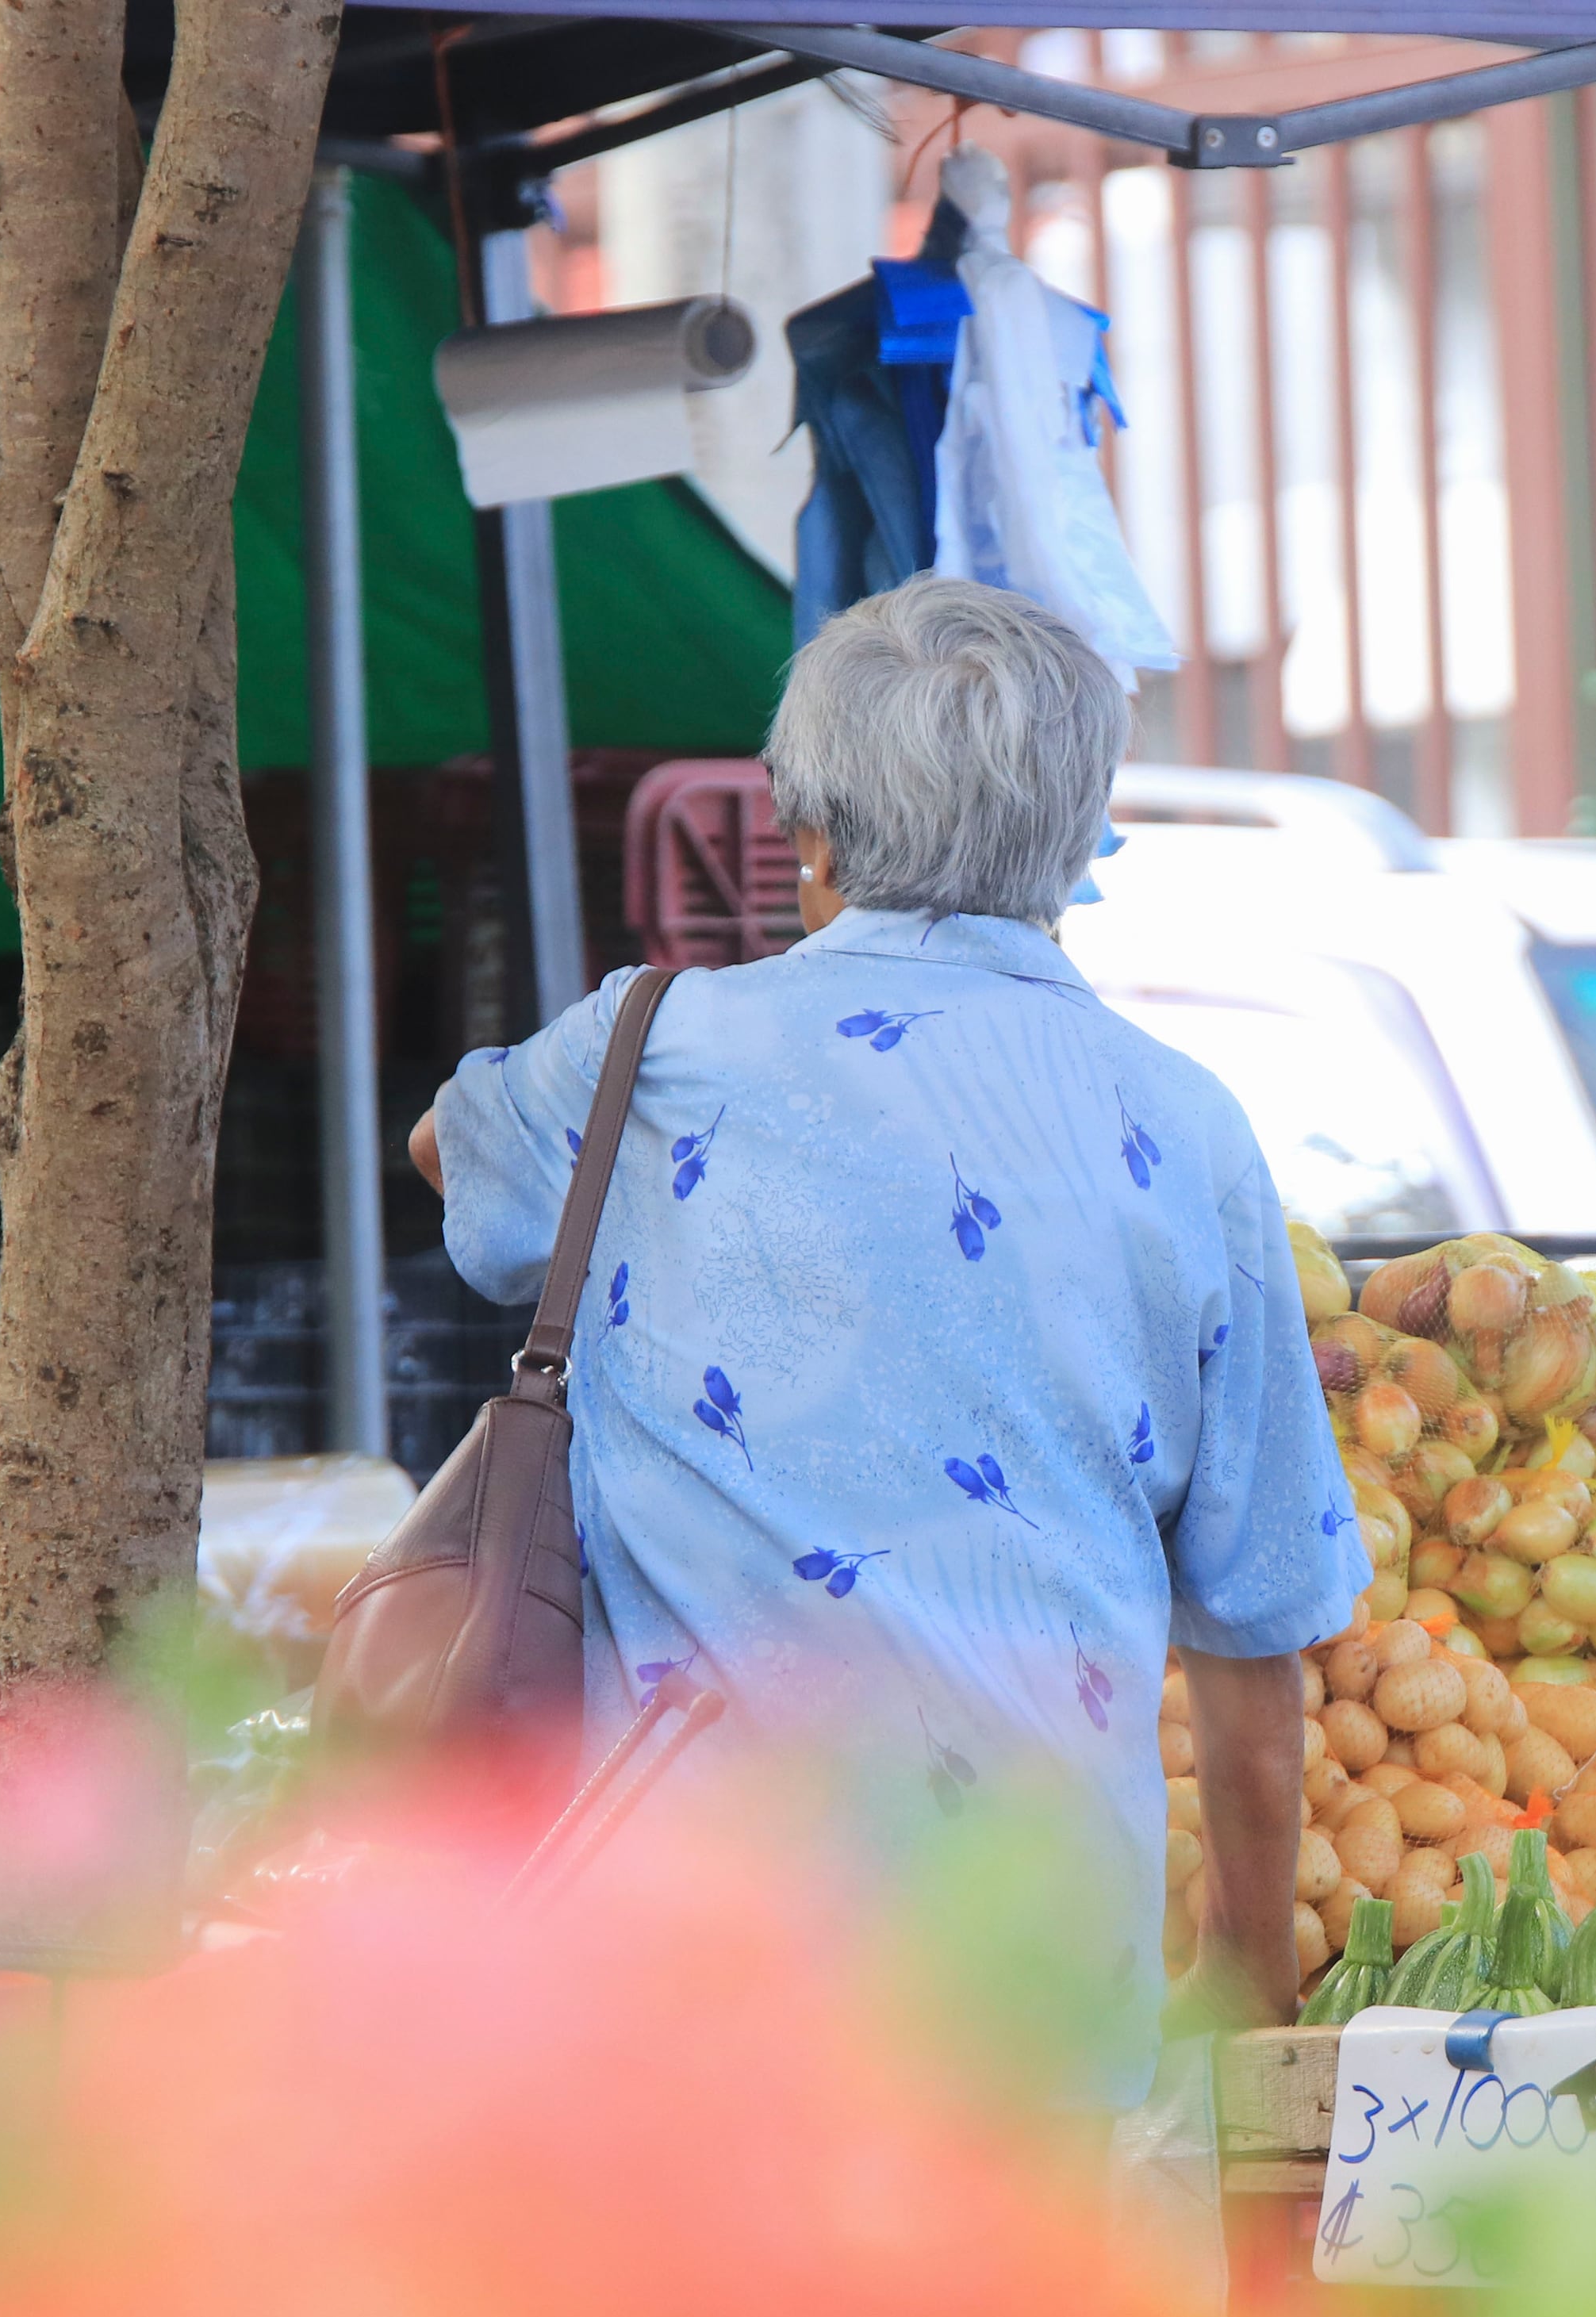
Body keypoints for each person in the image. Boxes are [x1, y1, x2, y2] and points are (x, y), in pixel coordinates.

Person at [410, 577, 1366, 2086]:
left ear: (816, 835)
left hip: (694, 1958)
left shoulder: (652, 1054)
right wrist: (1245, 1959)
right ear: (1073, 840)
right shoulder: (1184, 1127)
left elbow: (451, 1163)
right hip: (1039, 1972)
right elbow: (1255, 1617)